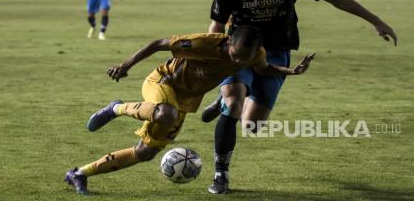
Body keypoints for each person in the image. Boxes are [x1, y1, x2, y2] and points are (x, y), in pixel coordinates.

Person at [202, 0, 398, 194]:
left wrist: (376, 20)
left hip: (277, 52)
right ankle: (220, 174)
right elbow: (215, 27)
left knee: (252, 126)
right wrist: (214, 62)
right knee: (233, 104)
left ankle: (228, 97)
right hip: (241, 52)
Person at [64, 26, 315, 195]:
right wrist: (125, 65)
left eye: (243, 59)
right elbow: (159, 43)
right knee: (165, 113)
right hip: (164, 81)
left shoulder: (253, 53)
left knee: (146, 152)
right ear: (229, 42)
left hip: (185, 99)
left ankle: (79, 173)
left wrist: (290, 71)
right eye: (235, 55)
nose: (238, 62)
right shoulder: (203, 44)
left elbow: (262, 69)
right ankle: (116, 108)